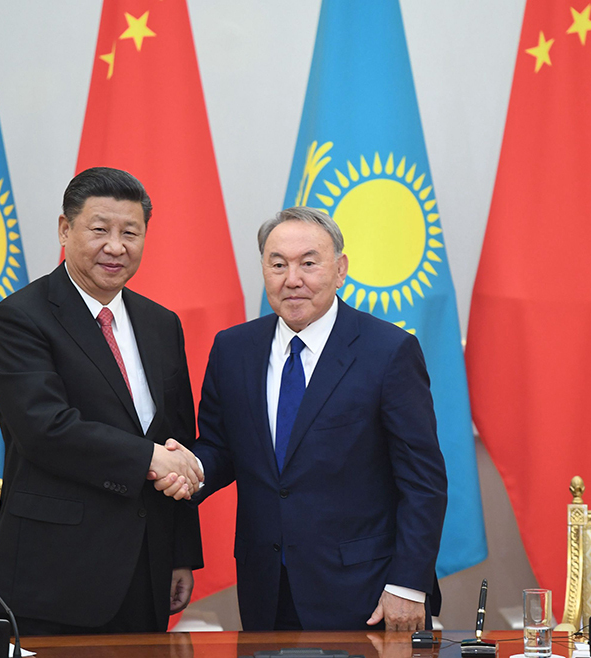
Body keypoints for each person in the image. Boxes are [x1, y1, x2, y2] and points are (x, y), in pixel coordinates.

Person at [157, 206, 447, 631]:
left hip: (364, 592)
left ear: (340, 268)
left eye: (308, 263)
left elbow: (423, 481)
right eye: (278, 264)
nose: (292, 278)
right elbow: (221, 446)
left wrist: (407, 585)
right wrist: (191, 469)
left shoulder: (388, 351)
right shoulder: (234, 349)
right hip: (266, 586)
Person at [0, 167, 204, 635]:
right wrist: (149, 458)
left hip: (147, 570)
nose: (115, 246)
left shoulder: (161, 324)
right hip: (56, 576)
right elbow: (45, 428)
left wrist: (180, 554)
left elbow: (177, 440)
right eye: (99, 229)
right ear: (65, 229)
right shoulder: (20, 317)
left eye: (130, 232)